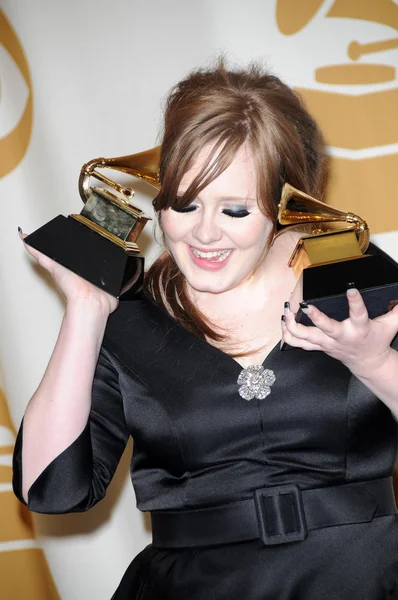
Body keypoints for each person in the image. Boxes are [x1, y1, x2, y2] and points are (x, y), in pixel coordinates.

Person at [13, 60, 398, 599]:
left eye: (235, 210)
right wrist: (85, 308)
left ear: (284, 206)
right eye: (184, 203)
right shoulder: (129, 317)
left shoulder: (356, 281)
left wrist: (375, 362)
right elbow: (49, 490)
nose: (204, 233)